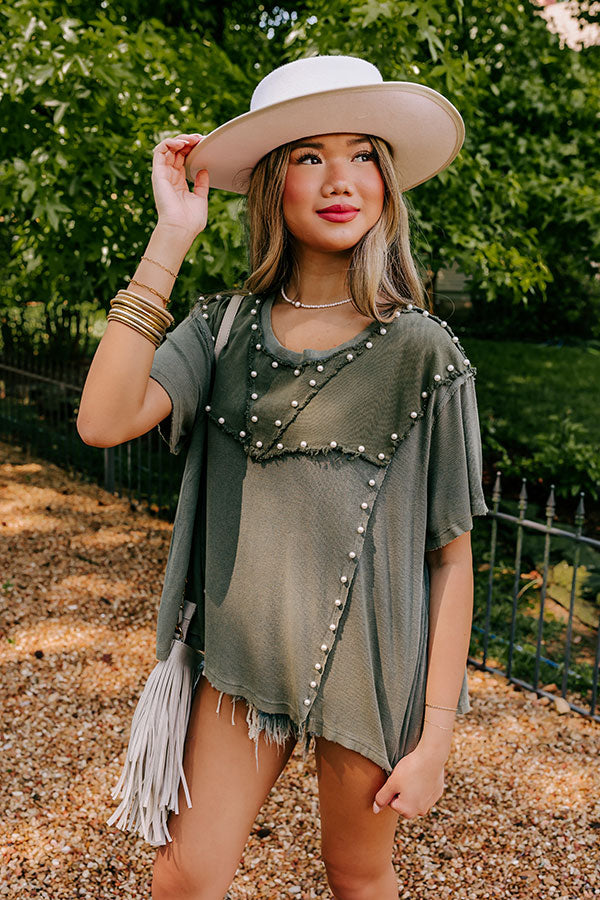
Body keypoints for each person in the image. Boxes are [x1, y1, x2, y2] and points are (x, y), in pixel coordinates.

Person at [77, 55, 488, 900]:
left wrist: (438, 735)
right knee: (183, 881)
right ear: (272, 184)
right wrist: (171, 236)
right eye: (309, 156)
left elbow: (450, 558)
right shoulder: (222, 328)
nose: (341, 179)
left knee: (358, 875)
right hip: (240, 664)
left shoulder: (425, 352)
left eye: (362, 155)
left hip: (371, 672)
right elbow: (102, 421)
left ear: (386, 180)